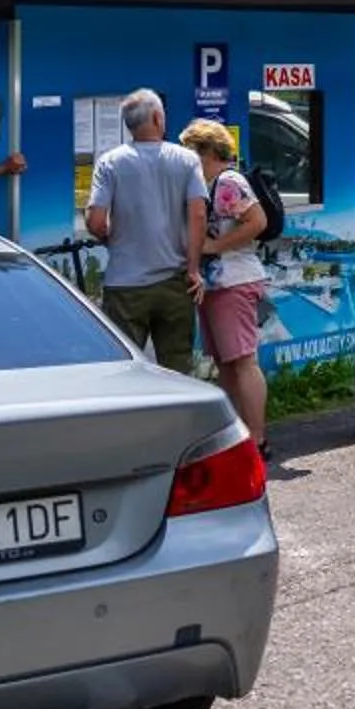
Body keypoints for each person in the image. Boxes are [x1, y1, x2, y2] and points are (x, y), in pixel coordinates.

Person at [86, 89, 208, 374]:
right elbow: (198, 215)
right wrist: (193, 269)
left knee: (124, 370)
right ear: (157, 117)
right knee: (177, 369)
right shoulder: (187, 160)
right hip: (175, 283)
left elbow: (95, 222)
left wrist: (110, 239)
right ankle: (176, 418)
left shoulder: (109, 162)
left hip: (125, 286)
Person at [182, 118, 272, 450]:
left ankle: (257, 437)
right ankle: (239, 435)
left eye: (189, 152)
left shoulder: (227, 182)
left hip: (234, 280)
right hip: (219, 285)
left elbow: (257, 220)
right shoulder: (210, 184)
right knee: (227, 362)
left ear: (204, 151)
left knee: (242, 360)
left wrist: (215, 246)